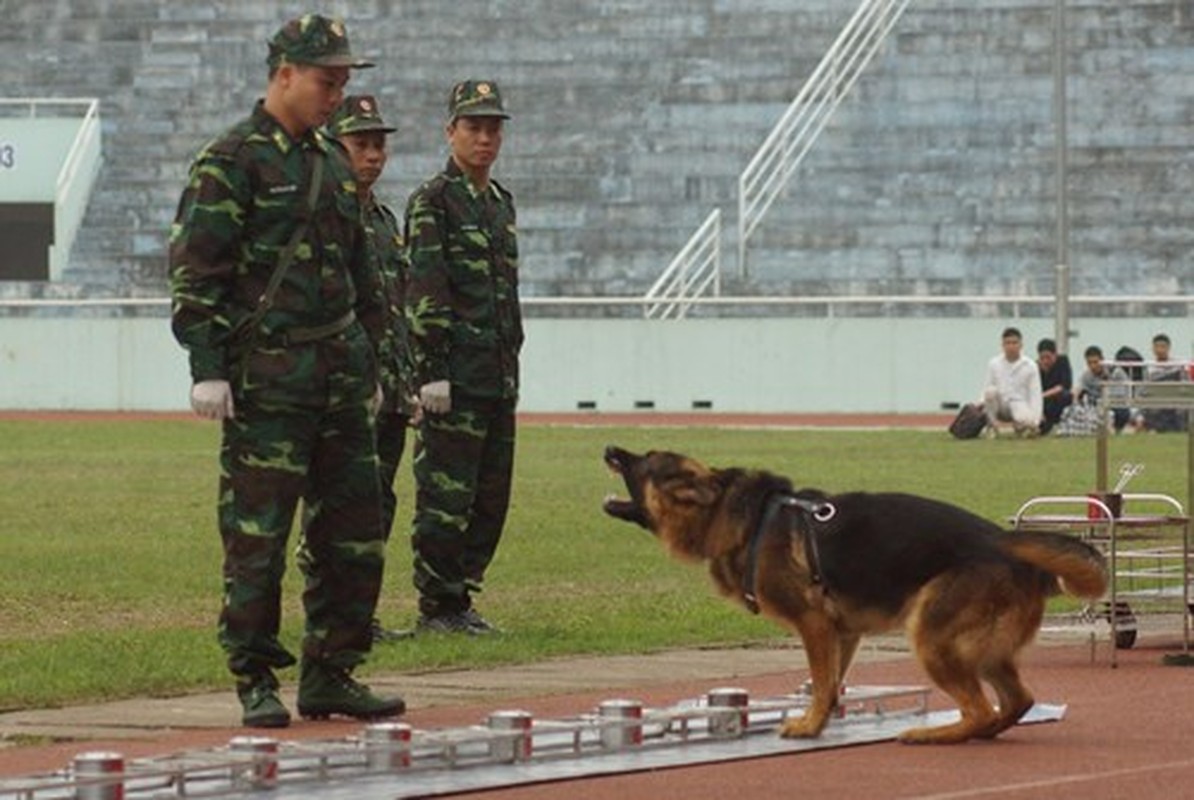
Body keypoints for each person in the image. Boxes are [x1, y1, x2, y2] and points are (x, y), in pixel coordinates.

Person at [168, 14, 404, 728]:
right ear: (284, 75)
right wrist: (208, 368)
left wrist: (373, 359)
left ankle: (332, 671)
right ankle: (255, 679)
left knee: (354, 532)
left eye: (341, 82)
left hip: (337, 373)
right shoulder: (231, 161)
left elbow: (362, 273)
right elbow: (196, 273)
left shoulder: (332, 164)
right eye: (325, 81)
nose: (334, 96)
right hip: (268, 378)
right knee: (259, 537)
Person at [403, 79, 524, 635]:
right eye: (473, 127)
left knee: (489, 497)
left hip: (496, 376)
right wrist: (432, 372)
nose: (484, 138)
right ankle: (437, 605)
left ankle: (462, 598)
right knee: (445, 496)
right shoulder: (433, 201)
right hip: (453, 377)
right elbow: (427, 289)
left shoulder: (500, 204)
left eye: (492, 128)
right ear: (450, 131)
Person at [326, 94, 417, 642]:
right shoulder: (325, 215)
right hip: (346, 390)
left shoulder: (384, 220)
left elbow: (397, 309)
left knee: (378, 506)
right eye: (361, 143)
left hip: (389, 390)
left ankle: (362, 615)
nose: (373, 154)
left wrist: (405, 382)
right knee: (338, 509)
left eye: (379, 144)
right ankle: (334, 617)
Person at [981, 327, 1043, 436]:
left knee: (1027, 422)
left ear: (1021, 345)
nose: (1011, 346)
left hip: (1019, 404)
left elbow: (1035, 394)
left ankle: (1022, 427)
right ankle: (992, 427)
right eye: (1008, 343)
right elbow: (987, 386)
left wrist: (1035, 420)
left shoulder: (1030, 366)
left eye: (1014, 343)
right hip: (999, 405)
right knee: (990, 392)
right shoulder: (994, 363)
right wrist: (980, 405)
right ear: (1002, 345)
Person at [1077, 345, 1131, 432]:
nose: (1093, 366)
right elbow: (1080, 392)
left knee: (1122, 411)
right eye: (1089, 363)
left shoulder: (1116, 372)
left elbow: (1124, 393)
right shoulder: (1086, 376)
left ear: (1102, 360)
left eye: (1095, 362)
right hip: (1096, 406)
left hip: (1116, 405)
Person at [1142, 333, 1189, 433]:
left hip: (1175, 401)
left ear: (1168, 348)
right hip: (1156, 401)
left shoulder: (1178, 365)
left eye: (1163, 347)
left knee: (1181, 409)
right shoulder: (1149, 367)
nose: (1160, 350)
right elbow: (1145, 390)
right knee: (1149, 408)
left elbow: (1186, 386)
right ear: (1153, 348)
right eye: (1157, 347)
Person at [1036, 338, 1072, 435]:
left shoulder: (1063, 361)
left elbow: (1065, 385)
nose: (1045, 361)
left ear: (1055, 355)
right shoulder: (1035, 367)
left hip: (1057, 398)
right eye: (1042, 358)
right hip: (1042, 402)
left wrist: (1042, 395)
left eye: (1048, 357)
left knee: (1065, 396)